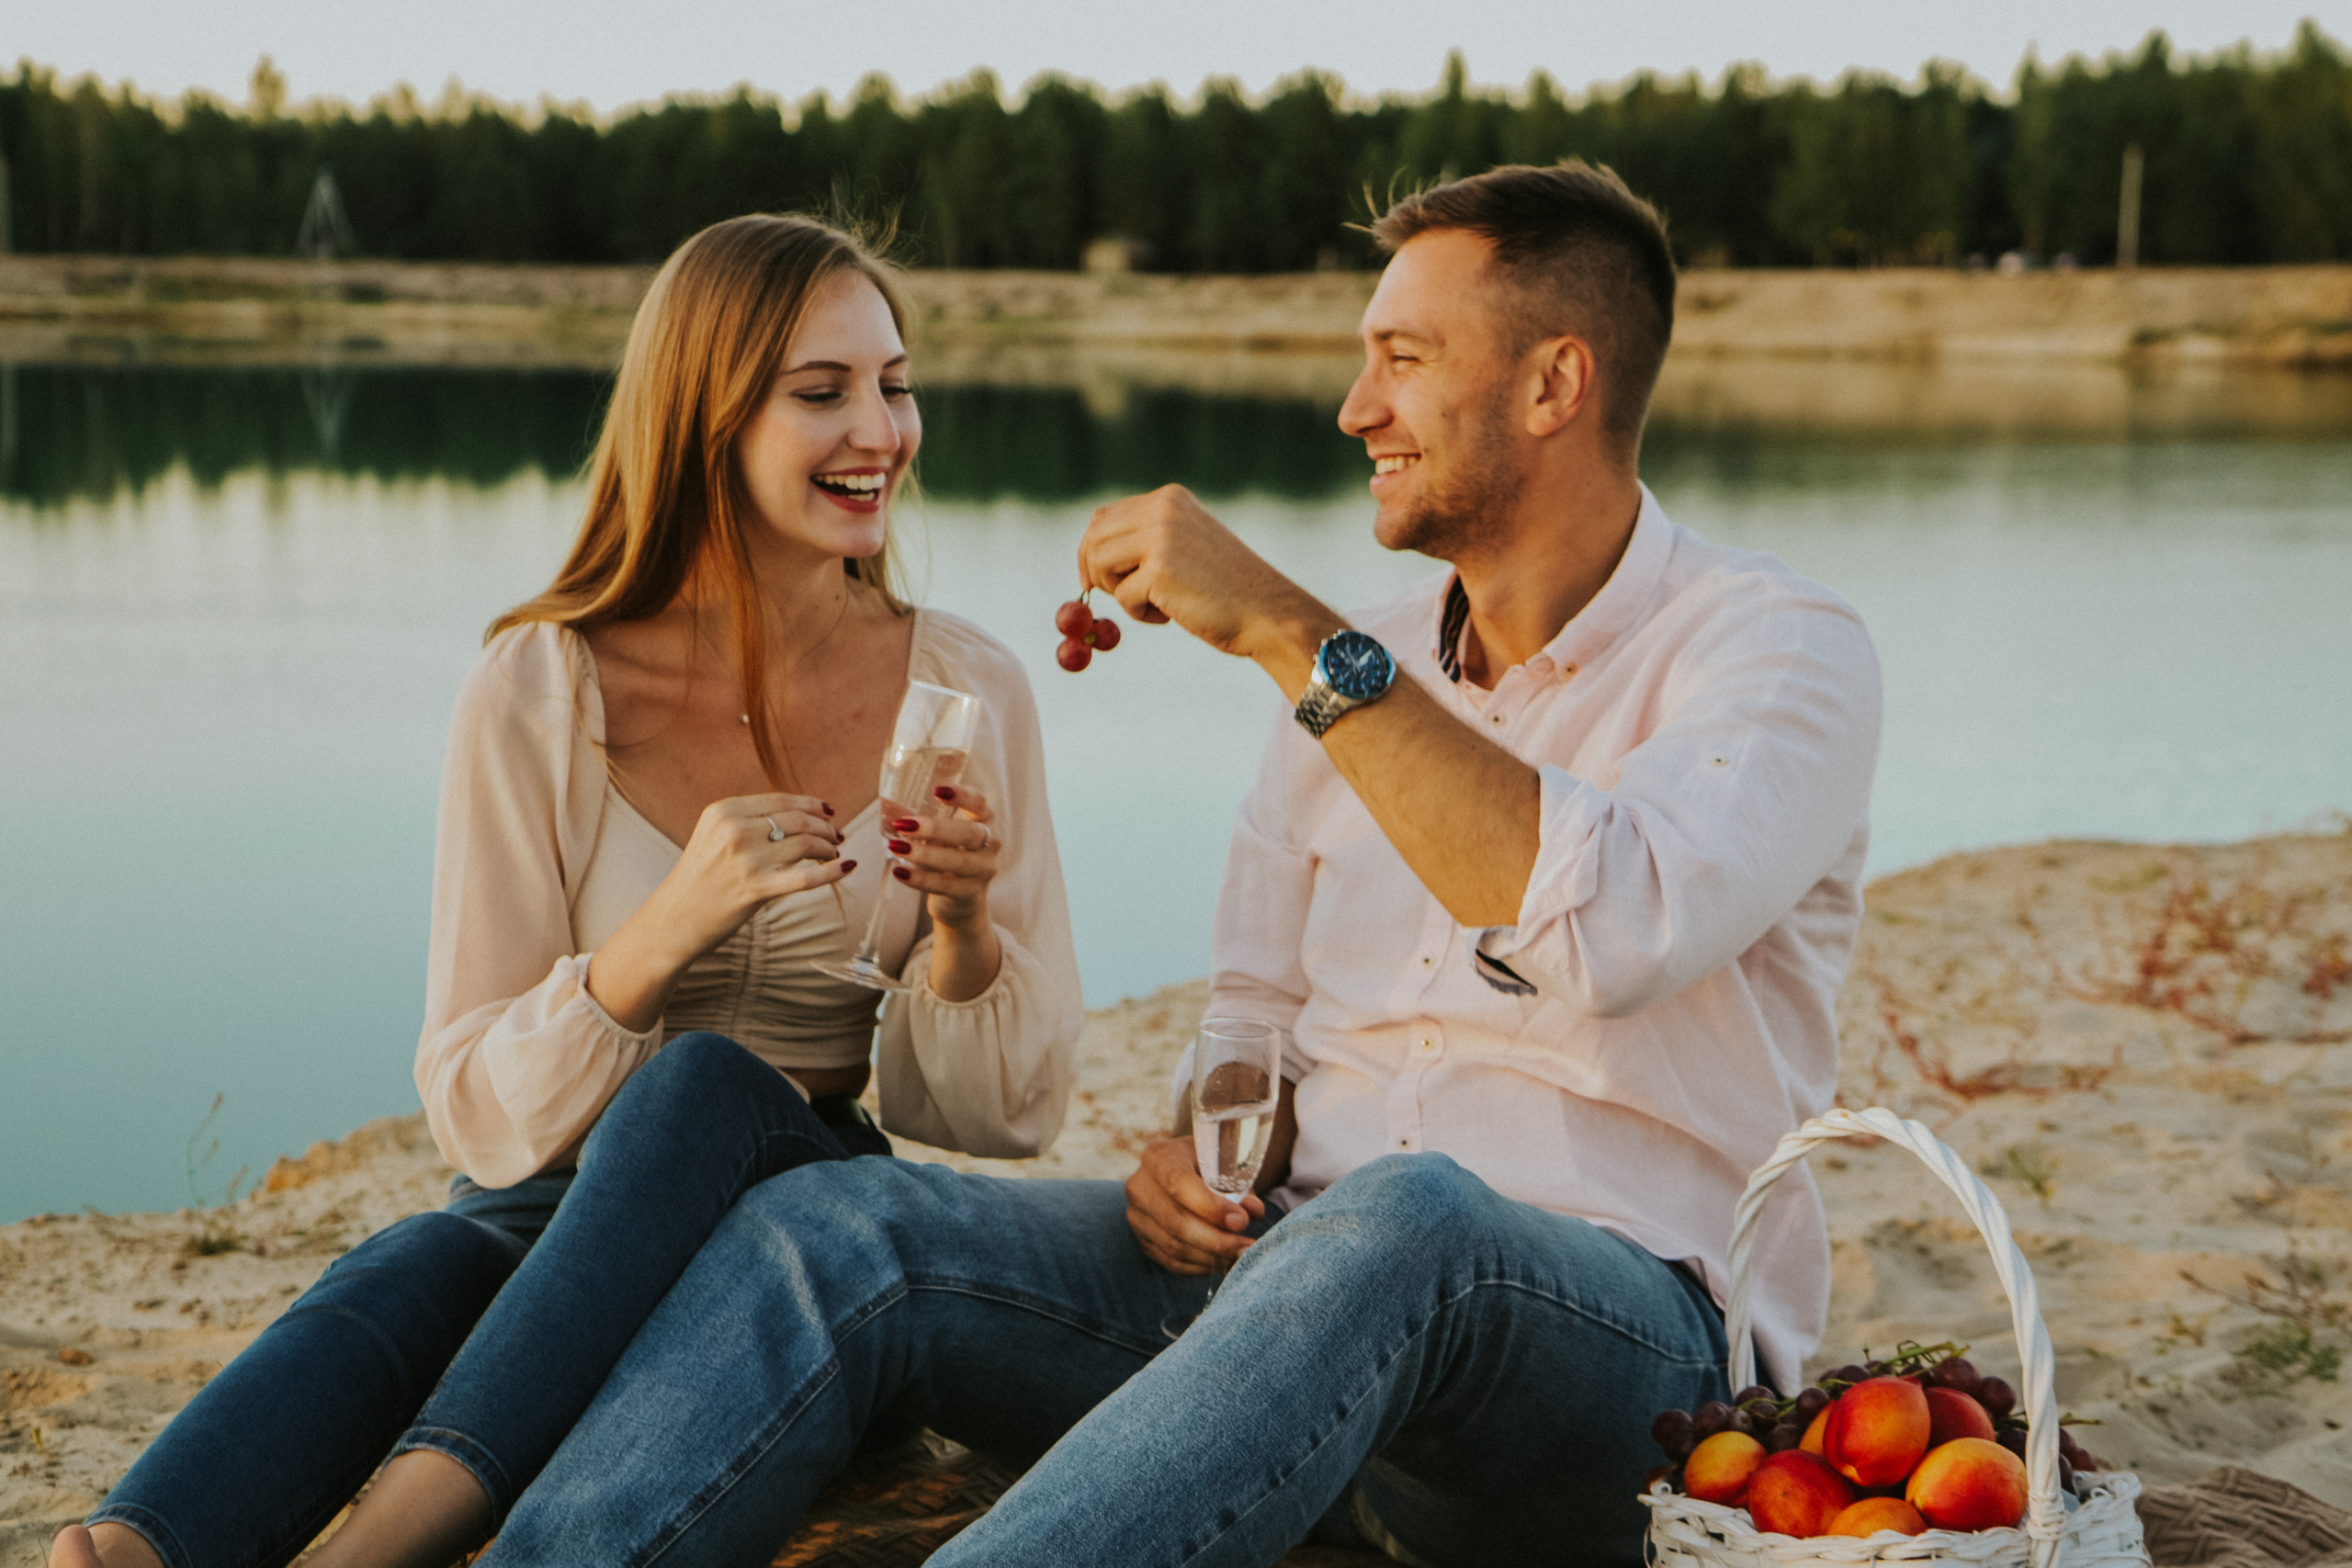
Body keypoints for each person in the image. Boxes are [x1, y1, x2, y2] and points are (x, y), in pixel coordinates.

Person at [462, 159, 1879, 1568]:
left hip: (1617, 1376)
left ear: (1554, 383)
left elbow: (1614, 931)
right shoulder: (1367, 663)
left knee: (1409, 1214)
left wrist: (1282, 626)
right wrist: (1206, 1156)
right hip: (1282, 1315)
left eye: (1403, 359)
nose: (1355, 408)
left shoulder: (1774, 650)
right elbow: (1253, 1022)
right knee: (837, 1224)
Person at [49, 214, 1083, 1568]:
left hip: (812, 1219)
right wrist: (665, 929)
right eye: (822, 392)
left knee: (704, 1087)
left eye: (894, 385)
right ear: (705, 419)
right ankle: (130, 1549)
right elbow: (474, 1107)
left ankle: (379, 1551)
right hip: (563, 1206)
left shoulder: (968, 687)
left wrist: (961, 925)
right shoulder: (540, 688)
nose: (880, 431)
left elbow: (1009, 1115)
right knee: (437, 1257)